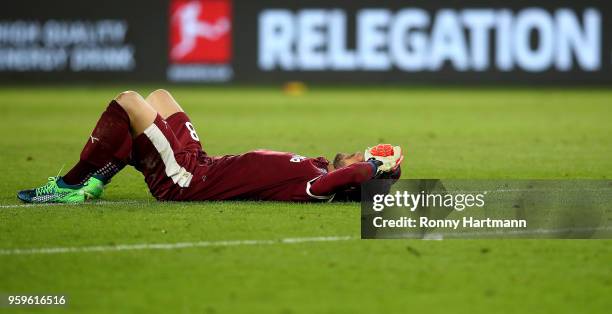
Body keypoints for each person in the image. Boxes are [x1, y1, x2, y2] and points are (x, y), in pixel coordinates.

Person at [17, 89, 403, 203]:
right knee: (160, 96)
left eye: (358, 155)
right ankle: (100, 178)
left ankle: (67, 185)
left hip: (185, 180)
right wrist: (383, 171)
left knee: (129, 102)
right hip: (200, 163)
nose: (355, 152)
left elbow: (346, 177)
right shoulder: (318, 165)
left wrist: (375, 168)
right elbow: (348, 172)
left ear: (353, 180)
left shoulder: (315, 187)